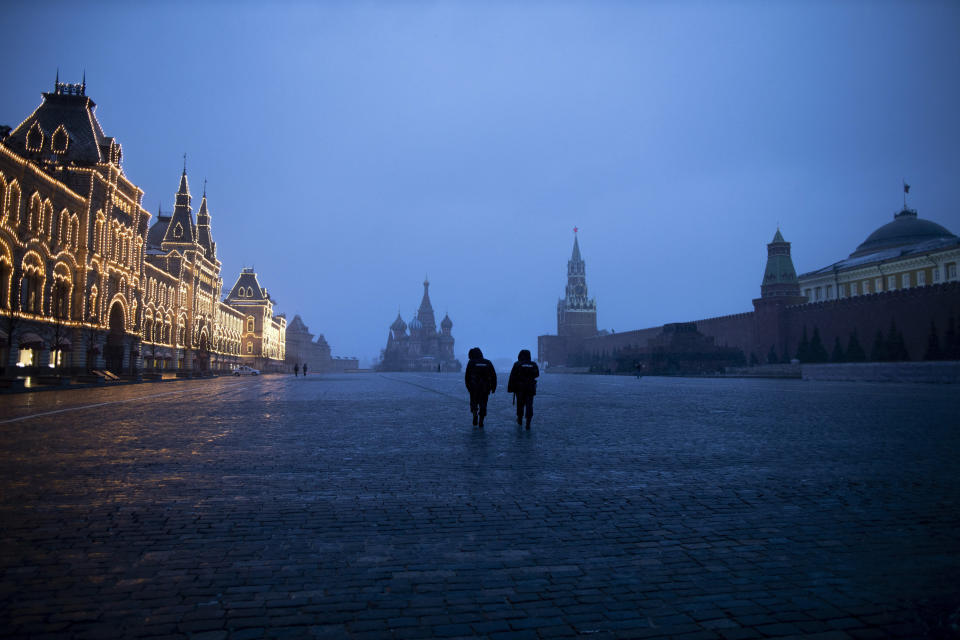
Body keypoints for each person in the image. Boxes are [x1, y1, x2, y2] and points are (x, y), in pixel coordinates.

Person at [464, 347, 497, 428]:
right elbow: (493, 375)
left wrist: (468, 387)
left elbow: (467, 376)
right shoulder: (488, 362)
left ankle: (475, 412)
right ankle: (481, 419)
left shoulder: (471, 362)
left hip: (474, 386)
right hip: (485, 387)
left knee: (474, 402)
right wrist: (493, 387)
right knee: (483, 403)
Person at [507, 349, 539, 429]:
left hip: (520, 388)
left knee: (520, 404)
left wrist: (511, 388)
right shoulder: (533, 364)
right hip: (530, 388)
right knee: (529, 405)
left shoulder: (517, 364)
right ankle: (528, 421)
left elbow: (512, 377)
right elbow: (537, 374)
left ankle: (520, 419)